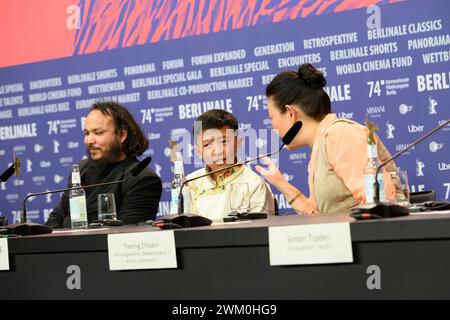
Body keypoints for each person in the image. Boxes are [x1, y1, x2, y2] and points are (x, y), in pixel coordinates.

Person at [255, 63, 398, 214]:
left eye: (271, 117)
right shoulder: (321, 145)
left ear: (290, 113)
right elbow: (319, 218)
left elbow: (380, 205)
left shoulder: (340, 135)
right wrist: (281, 183)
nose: (272, 125)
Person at [46, 101, 162, 228]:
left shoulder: (142, 179)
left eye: (98, 132)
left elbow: (126, 235)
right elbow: (53, 222)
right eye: (86, 133)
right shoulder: (81, 170)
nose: (89, 141)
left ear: (122, 135)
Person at [186, 109, 274, 221]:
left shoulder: (254, 184)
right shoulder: (188, 184)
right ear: (198, 151)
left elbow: (260, 232)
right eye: (207, 144)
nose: (217, 151)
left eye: (224, 141)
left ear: (238, 143)